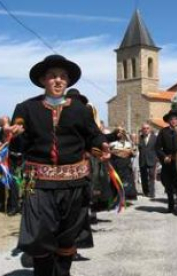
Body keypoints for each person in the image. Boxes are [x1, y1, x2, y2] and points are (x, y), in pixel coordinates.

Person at [5, 54, 110, 276]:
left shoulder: (81, 110)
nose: (58, 80)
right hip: (40, 185)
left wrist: (102, 146)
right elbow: (19, 140)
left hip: (74, 184)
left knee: (67, 237)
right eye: (53, 76)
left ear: (68, 82)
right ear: (43, 80)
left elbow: (94, 136)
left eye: (63, 77)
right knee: (41, 238)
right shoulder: (26, 108)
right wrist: (13, 135)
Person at [138, 123, 157, 198]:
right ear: (142, 130)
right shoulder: (140, 138)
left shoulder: (155, 138)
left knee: (152, 176)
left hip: (152, 159)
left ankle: (152, 192)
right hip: (142, 160)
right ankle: (145, 191)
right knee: (143, 177)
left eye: (147, 128)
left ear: (150, 129)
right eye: (144, 128)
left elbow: (157, 148)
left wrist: (157, 158)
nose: (145, 130)